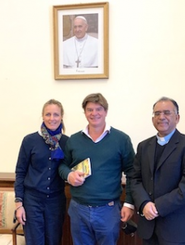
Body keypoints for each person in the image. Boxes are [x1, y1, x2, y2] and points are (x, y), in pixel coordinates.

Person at [58, 93, 135, 245]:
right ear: (85, 113)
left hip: (108, 210)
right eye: (90, 110)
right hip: (78, 209)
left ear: (106, 111)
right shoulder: (74, 140)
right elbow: (62, 166)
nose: (94, 113)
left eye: (98, 109)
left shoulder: (121, 139)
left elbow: (133, 172)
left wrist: (129, 203)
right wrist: (69, 175)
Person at [130, 97, 185, 245]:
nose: (161, 117)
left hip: (178, 228)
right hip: (149, 226)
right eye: (157, 113)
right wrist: (144, 203)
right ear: (153, 119)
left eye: (167, 113)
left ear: (177, 117)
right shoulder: (144, 146)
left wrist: (158, 206)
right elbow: (134, 179)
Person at [14, 99, 69, 245]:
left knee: (54, 241)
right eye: (48, 114)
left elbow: (71, 169)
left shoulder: (66, 142)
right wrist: (19, 204)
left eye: (56, 114)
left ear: (61, 117)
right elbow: (20, 172)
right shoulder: (29, 141)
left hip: (56, 202)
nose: (52, 118)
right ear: (42, 116)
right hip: (32, 201)